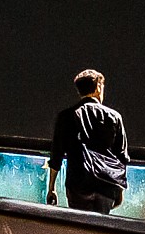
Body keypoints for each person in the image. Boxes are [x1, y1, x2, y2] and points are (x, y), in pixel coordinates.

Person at [49, 69, 129, 213]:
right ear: (98, 87)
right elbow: (121, 156)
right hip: (106, 185)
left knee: (80, 224)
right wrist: (120, 188)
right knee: (100, 224)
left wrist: (51, 188)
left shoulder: (66, 116)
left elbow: (56, 155)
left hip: (78, 183)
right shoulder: (114, 117)